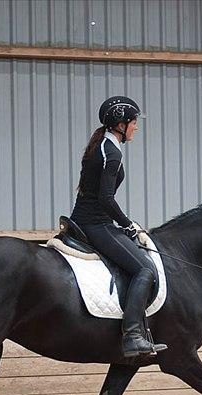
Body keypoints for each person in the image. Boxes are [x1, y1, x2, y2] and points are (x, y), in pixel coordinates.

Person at [70, 96, 167, 359]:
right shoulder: (111, 153)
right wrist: (129, 225)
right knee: (145, 269)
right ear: (121, 124)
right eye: (134, 123)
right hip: (95, 223)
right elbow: (106, 199)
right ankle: (133, 335)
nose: (136, 127)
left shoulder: (102, 144)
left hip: (88, 218)